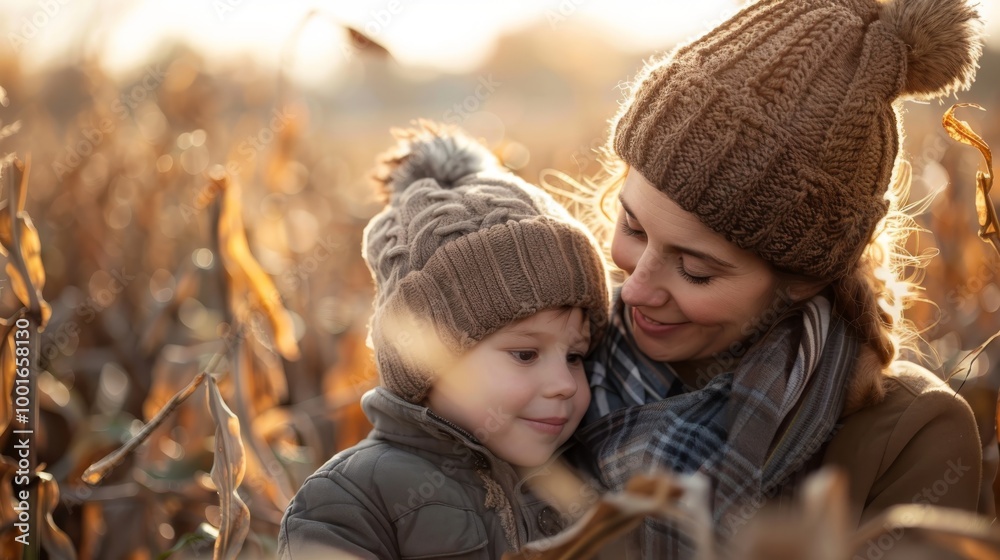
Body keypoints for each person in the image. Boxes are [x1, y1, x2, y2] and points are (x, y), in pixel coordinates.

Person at [571, 0, 993, 556]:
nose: (638, 288)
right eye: (632, 226)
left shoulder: (912, 435)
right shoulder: (548, 349)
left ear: (803, 280)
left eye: (695, 270)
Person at [277, 121, 610, 559]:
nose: (565, 383)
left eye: (575, 357)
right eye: (526, 354)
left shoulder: (587, 481)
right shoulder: (353, 499)